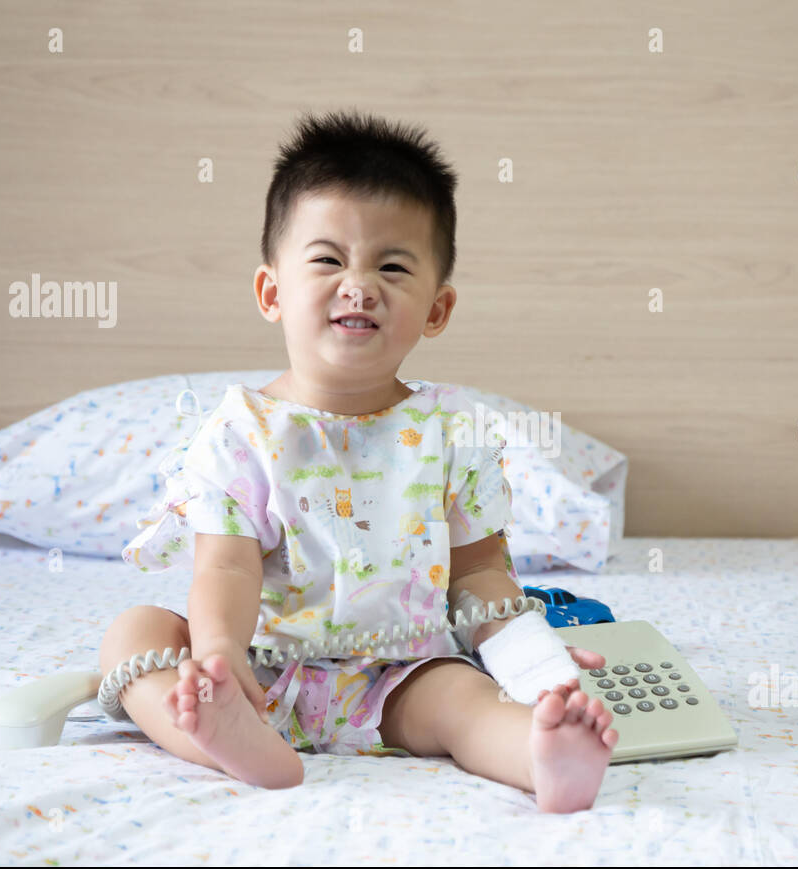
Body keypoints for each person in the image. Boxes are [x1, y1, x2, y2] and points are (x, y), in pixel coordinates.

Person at [100, 109, 617, 812]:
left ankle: (543, 758)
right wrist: (220, 657)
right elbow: (224, 566)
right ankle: (228, 735)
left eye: (392, 266)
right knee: (134, 633)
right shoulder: (240, 432)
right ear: (271, 293)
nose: (358, 284)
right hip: (262, 670)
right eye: (327, 259)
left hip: (404, 673)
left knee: (464, 702)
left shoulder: (453, 430)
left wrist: (538, 667)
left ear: (437, 310)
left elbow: (480, 576)